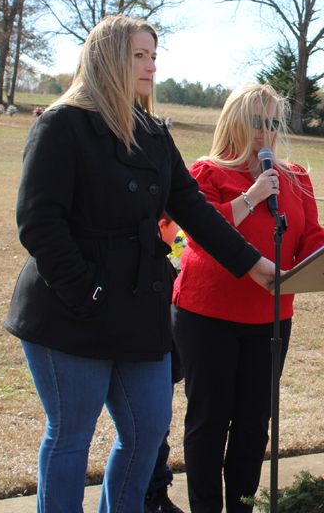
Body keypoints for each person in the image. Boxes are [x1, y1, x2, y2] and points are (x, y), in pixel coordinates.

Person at [5, 15, 275, 513]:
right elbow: (39, 224)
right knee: (71, 434)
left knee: (147, 430)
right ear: (109, 60)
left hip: (138, 307)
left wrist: (253, 263)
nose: (152, 65)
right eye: (140, 55)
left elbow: (192, 207)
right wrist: (86, 291)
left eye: (154, 54)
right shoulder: (62, 125)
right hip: (71, 308)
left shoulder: (152, 132)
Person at [172, 83, 324, 513]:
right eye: (257, 122)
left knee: (253, 425)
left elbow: (311, 236)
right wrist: (252, 195)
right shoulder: (207, 172)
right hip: (208, 315)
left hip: (272, 318)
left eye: (273, 123)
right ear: (236, 124)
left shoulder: (296, 177)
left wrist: (321, 261)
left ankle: (241, 507)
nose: (266, 132)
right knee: (209, 422)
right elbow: (203, 238)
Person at [146, 215, 188, 513]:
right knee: (150, 426)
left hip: (163, 343)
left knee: (156, 425)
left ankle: (155, 490)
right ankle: (151, 493)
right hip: (145, 341)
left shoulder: (178, 243)